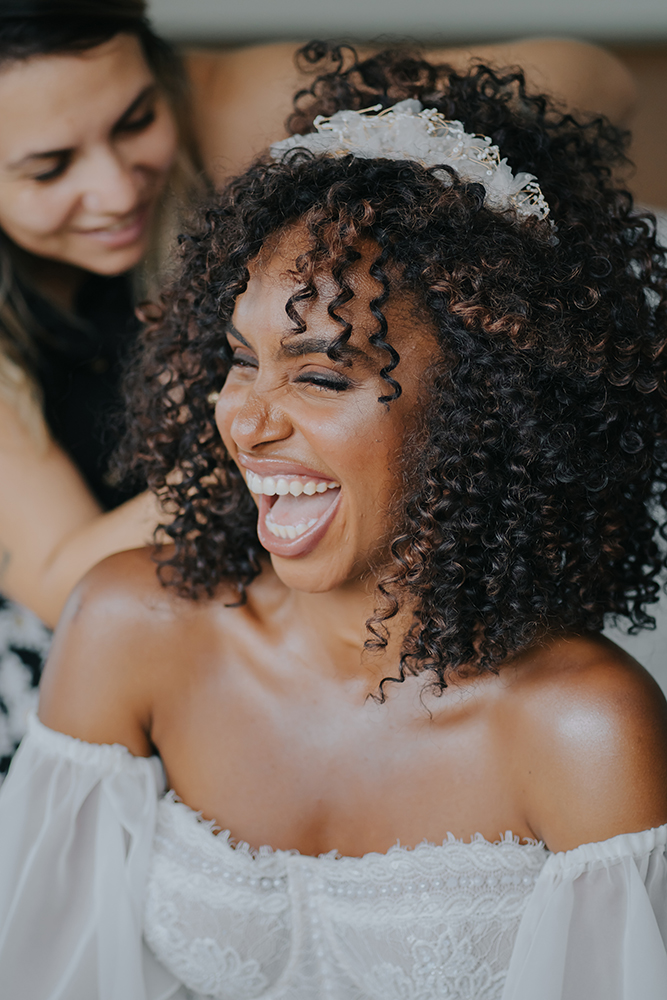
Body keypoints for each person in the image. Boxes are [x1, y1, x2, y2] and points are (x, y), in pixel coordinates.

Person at [1, 47, 666, 999]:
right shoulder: (130, 627)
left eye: (320, 375)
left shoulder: (585, 731)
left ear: (486, 405)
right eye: (238, 361)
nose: (246, 419)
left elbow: (593, 71)